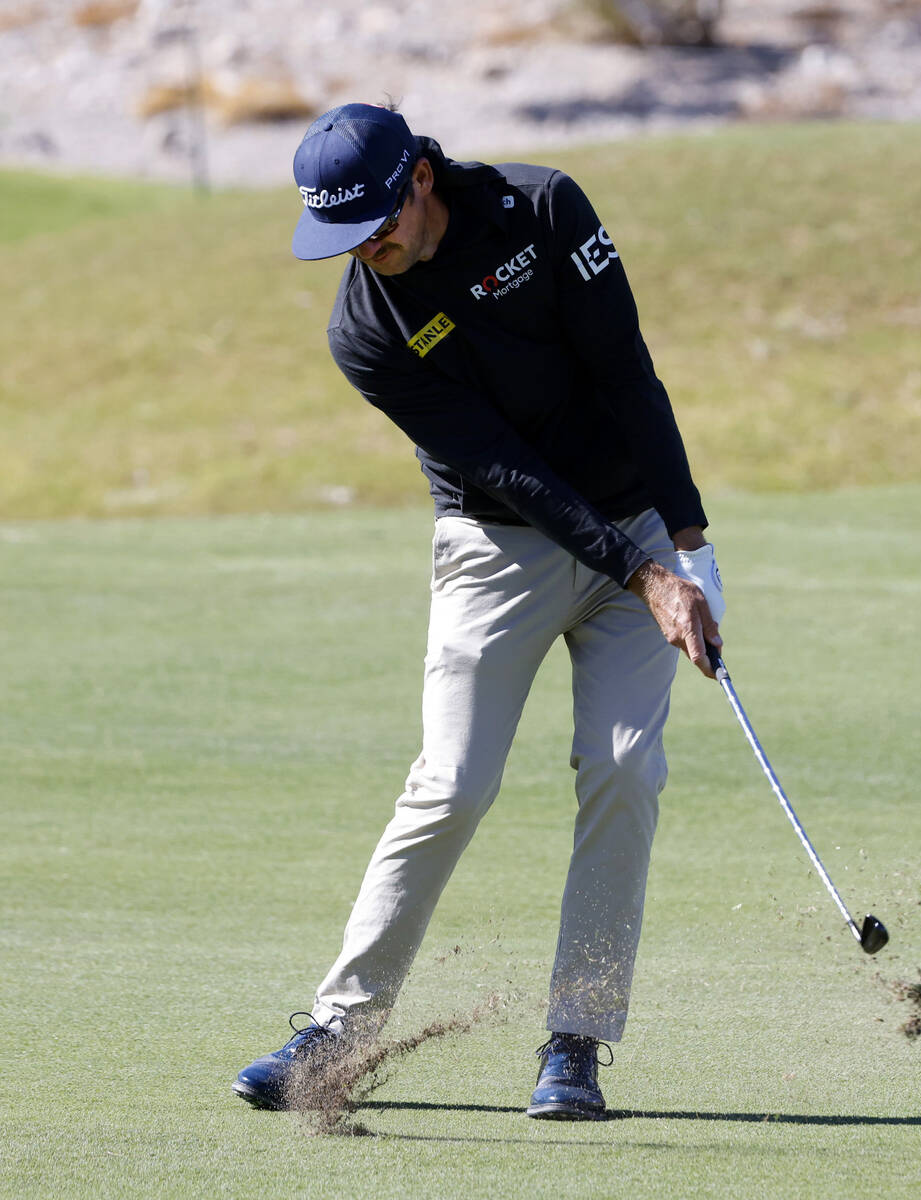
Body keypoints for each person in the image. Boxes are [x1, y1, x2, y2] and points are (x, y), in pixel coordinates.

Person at [232, 102, 725, 1121]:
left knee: (627, 768)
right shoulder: (364, 330)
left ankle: (576, 1041)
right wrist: (646, 575)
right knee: (452, 785)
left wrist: (688, 542)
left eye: (378, 221)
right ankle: (340, 1029)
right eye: (345, 237)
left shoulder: (542, 209)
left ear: (420, 176)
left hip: (637, 528)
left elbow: (627, 369)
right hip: (498, 547)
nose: (369, 249)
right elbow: (508, 468)